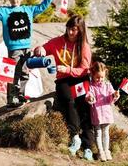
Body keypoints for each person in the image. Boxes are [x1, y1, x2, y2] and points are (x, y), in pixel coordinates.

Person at [0, 0, 56, 108]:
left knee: (24, 71)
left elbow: (41, 7)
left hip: (27, 48)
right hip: (14, 49)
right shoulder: (4, 11)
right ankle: (11, 98)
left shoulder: (28, 10)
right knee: (12, 73)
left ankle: (21, 95)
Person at [34, 15, 94, 161]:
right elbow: (42, 48)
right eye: (69, 29)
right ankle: (75, 137)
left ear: (81, 31)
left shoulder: (84, 47)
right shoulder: (57, 42)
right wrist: (40, 49)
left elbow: (85, 70)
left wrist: (67, 69)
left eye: (75, 30)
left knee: (85, 106)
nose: (71, 32)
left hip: (79, 78)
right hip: (63, 80)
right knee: (69, 101)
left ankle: (88, 147)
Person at [85, 61, 120, 161]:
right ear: (93, 74)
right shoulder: (91, 86)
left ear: (105, 75)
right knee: (98, 133)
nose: (100, 79)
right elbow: (89, 95)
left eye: (102, 77)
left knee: (106, 132)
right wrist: (90, 98)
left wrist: (115, 95)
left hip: (106, 112)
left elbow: (111, 96)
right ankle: (100, 152)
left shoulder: (108, 85)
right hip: (97, 114)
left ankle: (106, 150)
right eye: (97, 77)